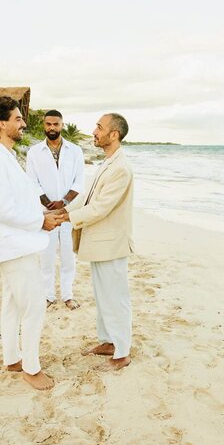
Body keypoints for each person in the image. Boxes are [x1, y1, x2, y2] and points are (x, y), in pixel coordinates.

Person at [0, 96, 60, 390]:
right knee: (35, 305)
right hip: (12, 246)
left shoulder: (6, 157)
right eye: (17, 119)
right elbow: (2, 209)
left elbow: (18, 201)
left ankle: (12, 357)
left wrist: (44, 213)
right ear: (2, 124)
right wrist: (40, 222)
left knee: (11, 302)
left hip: (18, 242)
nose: (23, 124)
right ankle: (31, 368)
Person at [53, 113, 133, 371]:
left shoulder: (120, 167)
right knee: (103, 297)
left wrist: (67, 218)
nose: (94, 131)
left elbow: (100, 208)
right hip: (100, 243)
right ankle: (108, 342)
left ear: (114, 134)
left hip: (111, 244)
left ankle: (122, 352)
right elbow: (87, 198)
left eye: (99, 127)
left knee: (116, 297)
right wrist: (61, 210)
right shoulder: (107, 163)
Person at [26, 109, 85, 310]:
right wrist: (48, 203)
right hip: (44, 211)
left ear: (62, 125)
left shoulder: (75, 150)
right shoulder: (34, 152)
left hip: (69, 211)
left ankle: (68, 295)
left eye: (56, 124)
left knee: (68, 254)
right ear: (44, 125)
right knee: (47, 253)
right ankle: (48, 295)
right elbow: (32, 182)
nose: (52, 128)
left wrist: (65, 202)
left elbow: (80, 181)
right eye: (48, 124)